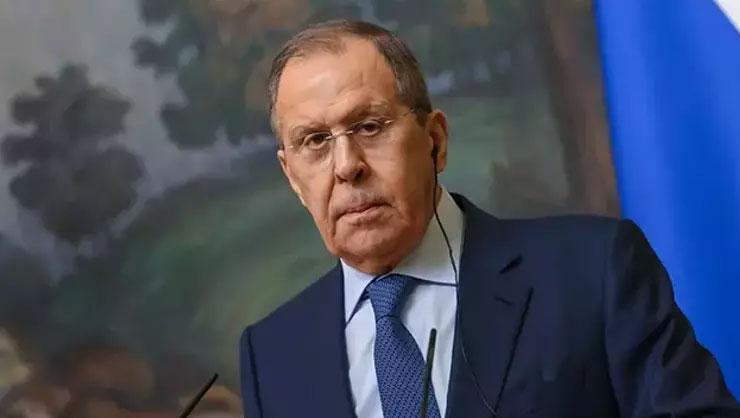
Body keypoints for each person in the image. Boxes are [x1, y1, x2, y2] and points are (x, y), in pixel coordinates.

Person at [238, 19, 740, 418]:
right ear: (292, 177)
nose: (347, 166)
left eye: (369, 126)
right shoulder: (272, 355)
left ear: (435, 141)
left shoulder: (594, 270)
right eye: (315, 141)